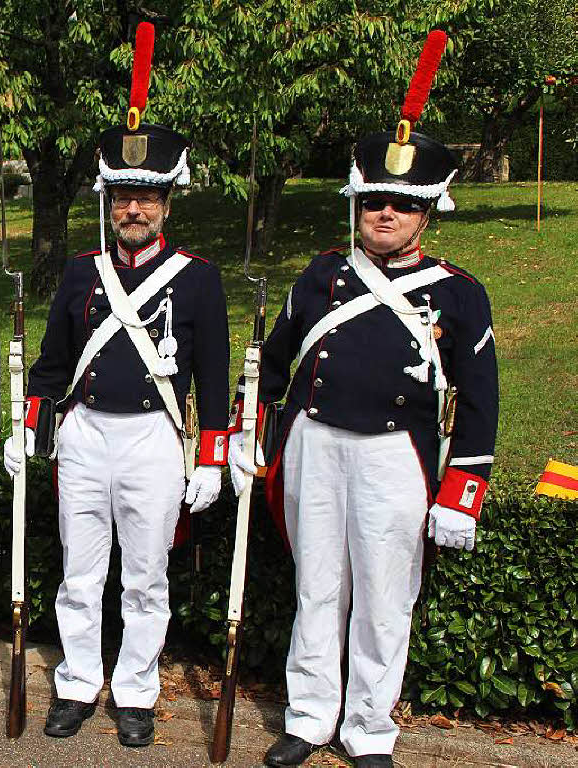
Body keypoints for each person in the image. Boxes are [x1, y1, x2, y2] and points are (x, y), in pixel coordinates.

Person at [231, 32, 499, 768]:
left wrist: (461, 491)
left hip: (395, 457)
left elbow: (479, 401)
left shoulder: (460, 296)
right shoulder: (318, 276)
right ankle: (310, 717)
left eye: (400, 205)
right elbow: (270, 363)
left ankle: (370, 729)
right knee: (317, 589)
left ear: (426, 213)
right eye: (374, 201)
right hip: (316, 445)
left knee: (384, 600)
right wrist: (249, 429)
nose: (384, 214)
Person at [4, 22, 230, 748]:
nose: (134, 209)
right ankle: (75, 682)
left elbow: (216, 377)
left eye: (148, 197)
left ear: (168, 201)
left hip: (154, 440)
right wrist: (30, 424)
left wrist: (216, 453)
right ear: (110, 201)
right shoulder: (79, 272)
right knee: (79, 572)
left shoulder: (198, 279)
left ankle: (134, 691)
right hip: (87, 434)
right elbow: (50, 365)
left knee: (144, 577)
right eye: (124, 197)